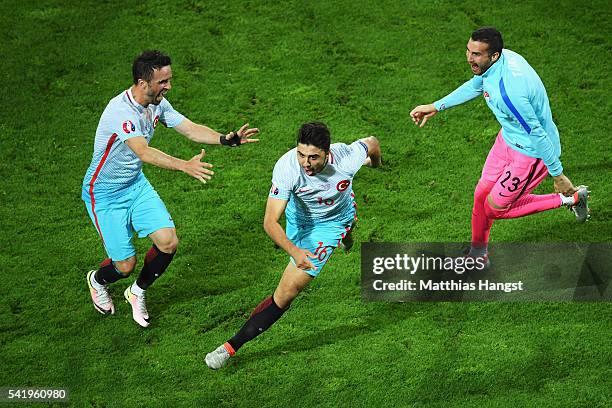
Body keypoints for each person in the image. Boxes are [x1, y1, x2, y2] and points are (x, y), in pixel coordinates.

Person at [82, 50, 259, 327]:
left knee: (168, 242)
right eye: (163, 82)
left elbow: (188, 128)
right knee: (124, 266)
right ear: (143, 83)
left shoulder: (157, 103)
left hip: (135, 185)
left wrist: (225, 139)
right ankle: (97, 280)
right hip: (104, 194)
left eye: (169, 80)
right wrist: (184, 165)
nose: (168, 86)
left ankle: (136, 292)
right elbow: (143, 152)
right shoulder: (120, 111)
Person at [205, 122, 382, 369]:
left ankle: (230, 347)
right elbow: (269, 222)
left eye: (313, 157)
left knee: (286, 293)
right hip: (299, 221)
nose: (305, 163)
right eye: (301, 154)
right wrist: (294, 250)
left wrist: (376, 165)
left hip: (330, 225)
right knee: (292, 241)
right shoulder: (287, 167)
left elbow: (372, 142)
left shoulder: (347, 159)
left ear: (328, 152)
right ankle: (348, 232)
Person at [409, 27, 589, 261]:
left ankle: (572, 198)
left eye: (476, 55)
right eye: (468, 51)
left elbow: (536, 133)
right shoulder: (499, 61)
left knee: (496, 208)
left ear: (493, 56)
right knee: (481, 195)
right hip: (507, 140)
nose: (469, 58)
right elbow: (477, 85)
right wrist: (436, 105)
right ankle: (478, 253)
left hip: (531, 153)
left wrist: (558, 174)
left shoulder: (511, 92)